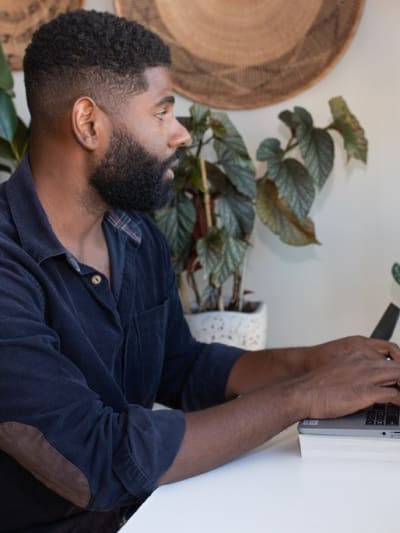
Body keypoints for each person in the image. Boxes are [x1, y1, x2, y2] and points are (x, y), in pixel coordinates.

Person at [0, 9, 400, 533]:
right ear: (89, 123)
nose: (180, 134)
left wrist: (313, 361)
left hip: (159, 510)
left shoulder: (132, 232)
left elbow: (181, 367)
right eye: (162, 112)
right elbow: (96, 459)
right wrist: (304, 396)